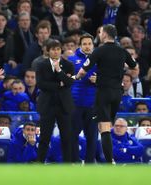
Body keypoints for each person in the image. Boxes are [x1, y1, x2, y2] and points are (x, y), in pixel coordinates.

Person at [75, 24, 139, 164]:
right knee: (108, 125)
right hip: (117, 93)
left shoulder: (98, 51)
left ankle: (110, 162)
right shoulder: (123, 51)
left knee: (103, 128)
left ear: (104, 34)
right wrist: (122, 74)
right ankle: (110, 160)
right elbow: (135, 68)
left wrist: (75, 78)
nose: (99, 34)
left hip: (103, 92)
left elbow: (83, 71)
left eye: (101, 32)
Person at [35, 39, 75, 163]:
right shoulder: (41, 65)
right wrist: (60, 84)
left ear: (61, 50)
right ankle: (40, 162)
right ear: (48, 51)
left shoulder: (69, 65)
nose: (56, 52)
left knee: (66, 137)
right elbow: (41, 84)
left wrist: (58, 71)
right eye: (53, 49)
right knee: (44, 137)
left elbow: (69, 83)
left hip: (64, 105)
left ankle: (68, 163)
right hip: (47, 105)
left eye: (58, 49)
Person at [68, 33, 98, 163]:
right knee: (73, 135)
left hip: (93, 104)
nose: (87, 46)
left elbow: (108, 79)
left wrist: (98, 79)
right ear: (80, 45)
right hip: (76, 103)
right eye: (84, 44)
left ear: (93, 45)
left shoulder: (99, 60)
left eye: (89, 44)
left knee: (92, 137)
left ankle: (90, 164)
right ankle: (74, 162)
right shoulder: (72, 60)